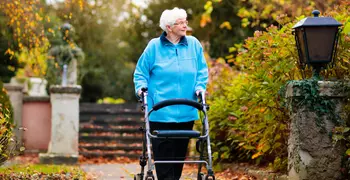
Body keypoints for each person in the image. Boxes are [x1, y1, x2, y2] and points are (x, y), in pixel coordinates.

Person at [133, 7, 208, 180]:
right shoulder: (154, 47)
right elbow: (140, 73)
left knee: (178, 158)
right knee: (164, 160)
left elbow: (202, 71)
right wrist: (141, 89)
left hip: (186, 110)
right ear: (168, 27)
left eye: (185, 21)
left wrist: (200, 86)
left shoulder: (194, 45)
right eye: (180, 22)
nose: (184, 25)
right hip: (160, 112)